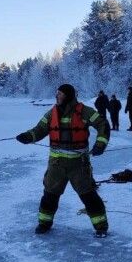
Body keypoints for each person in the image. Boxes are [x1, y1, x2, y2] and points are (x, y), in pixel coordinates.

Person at [16, 84, 110, 237]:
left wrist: (101, 143)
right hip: (56, 165)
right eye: (56, 93)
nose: (57, 96)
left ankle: (101, 227)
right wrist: (27, 137)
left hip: (79, 165)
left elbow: (102, 123)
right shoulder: (51, 114)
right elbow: (39, 130)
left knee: (88, 196)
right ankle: (44, 224)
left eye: (60, 94)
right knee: (49, 195)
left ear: (68, 95)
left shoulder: (83, 111)